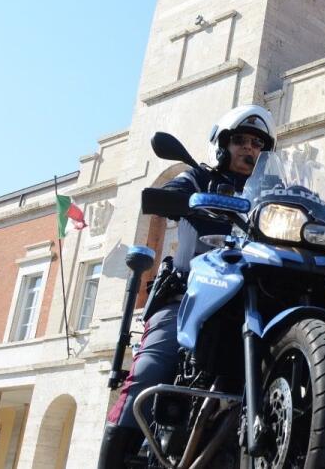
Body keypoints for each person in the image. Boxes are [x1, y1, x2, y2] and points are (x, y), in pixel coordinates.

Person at [97, 105, 276, 468]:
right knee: (150, 369)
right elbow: (165, 194)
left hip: (249, 305)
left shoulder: (272, 195)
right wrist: (180, 199)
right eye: (240, 140)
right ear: (222, 146)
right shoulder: (200, 179)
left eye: (257, 143)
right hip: (187, 297)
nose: (249, 149)